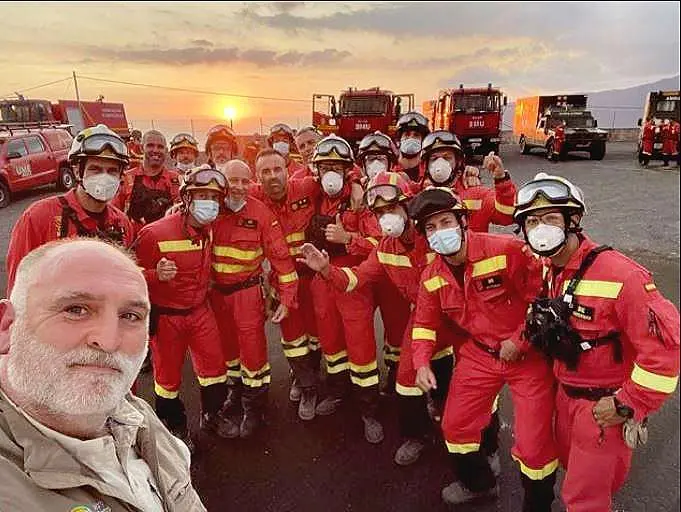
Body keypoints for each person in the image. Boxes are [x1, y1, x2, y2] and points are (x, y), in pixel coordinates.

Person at [0, 239, 205, 511]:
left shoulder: (137, 417)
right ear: (6, 326)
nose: (109, 340)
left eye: (131, 316)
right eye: (75, 310)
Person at [515, 172, 680, 512]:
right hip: (565, 398)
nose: (539, 229)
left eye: (549, 218)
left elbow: (665, 353)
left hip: (603, 408)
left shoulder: (622, 276)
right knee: (570, 473)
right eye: (531, 221)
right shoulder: (552, 269)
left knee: (584, 499)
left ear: (573, 220)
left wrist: (627, 403)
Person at [298, 172, 472, 466]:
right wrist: (327, 270)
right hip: (425, 319)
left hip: (462, 315)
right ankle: (416, 435)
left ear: (409, 207)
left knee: (470, 381)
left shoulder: (433, 237)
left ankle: (479, 443)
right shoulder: (385, 249)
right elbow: (356, 278)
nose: (386, 217)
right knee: (406, 379)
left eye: (392, 209)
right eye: (379, 212)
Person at [410, 187, 558, 509]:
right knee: (455, 426)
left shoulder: (507, 250)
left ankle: (538, 505)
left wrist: (521, 339)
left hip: (527, 356)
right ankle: (479, 484)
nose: (440, 233)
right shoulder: (431, 276)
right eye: (430, 228)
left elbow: (543, 299)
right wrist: (421, 362)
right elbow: (423, 324)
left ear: (463, 222)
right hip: (478, 355)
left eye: (446, 222)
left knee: (534, 446)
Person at [210, 160, 316, 436]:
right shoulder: (209, 207)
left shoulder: (261, 212)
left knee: (253, 352)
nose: (240, 187)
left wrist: (286, 299)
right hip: (215, 294)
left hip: (246, 292)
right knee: (227, 351)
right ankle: (234, 393)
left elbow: (281, 260)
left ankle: (254, 407)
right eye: (233, 180)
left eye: (245, 182)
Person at [132, 165, 234, 447]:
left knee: (215, 371)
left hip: (201, 312)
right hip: (167, 319)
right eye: (202, 195)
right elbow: (126, 275)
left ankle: (213, 415)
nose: (209, 203)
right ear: (187, 198)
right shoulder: (154, 234)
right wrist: (154, 275)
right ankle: (175, 428)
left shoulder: (212, 230)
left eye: (215, 197)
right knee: (167, 381)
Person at [304, 135, 384, 443]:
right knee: (331, 343)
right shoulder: (313, 195)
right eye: (326, 167)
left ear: (349, 169)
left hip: (353, 282)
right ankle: (338, 393)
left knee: (361, 348)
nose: (331, 174)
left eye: (337, 166)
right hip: (321, 281)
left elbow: (380, 244)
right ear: (318, 170)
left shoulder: (362, 203)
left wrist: (348, 237)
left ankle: (369, 410)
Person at [6, 124, 134, 295]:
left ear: (120, 176)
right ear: (77, 170)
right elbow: (18, 284)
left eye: (112, 171)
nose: (104, 177)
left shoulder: (121, 224)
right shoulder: (40, 217)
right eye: (95, 169)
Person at [354, 132, 412, 395]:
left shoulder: (404, 187)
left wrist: (352, 241)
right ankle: (362, 388)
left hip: (394, 275)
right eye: (369, 159)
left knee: (399, 330)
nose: (375, 164)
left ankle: (396, 374)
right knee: (359, 334)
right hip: (366, 275)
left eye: (380, 158)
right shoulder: (350, 191)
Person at [420, 130, 517, 233]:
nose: (440, 163)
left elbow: (507, 216)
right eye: (434, 159)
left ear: (458, 162)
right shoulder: (418, 197)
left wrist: (501, 179)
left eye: (447, 157)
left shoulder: (478, 195)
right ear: (426, 165)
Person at [113, 130, 180, 235]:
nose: (155, 150)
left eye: (160, 147)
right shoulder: (126, 179)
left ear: (166, 150)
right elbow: (113, 214)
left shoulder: (176, 180)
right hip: (134, 245)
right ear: (141, 148)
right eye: (150, 146)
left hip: (167, 244)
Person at [394, 111, 430, 183]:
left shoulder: (430, 171)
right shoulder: (389, 168)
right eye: (407, 135)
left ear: (423, 141)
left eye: (416, 135)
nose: (411, 138)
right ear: (399, 139)